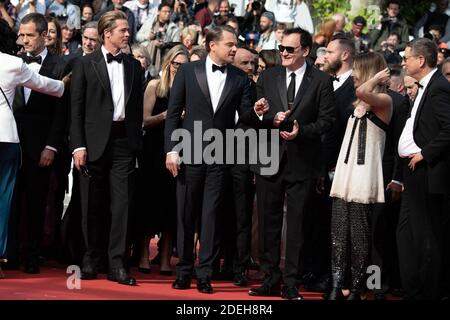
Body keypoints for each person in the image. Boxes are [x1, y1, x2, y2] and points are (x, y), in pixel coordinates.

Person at [164, 25, 268, 294]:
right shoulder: (188, 71)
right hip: (188, 152)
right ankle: (184, 269)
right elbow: (174, 113)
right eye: (230, 44)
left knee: (210, 216)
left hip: (221, 156)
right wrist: (171, 150)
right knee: (186, 214)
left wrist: (256, 112)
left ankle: (205, 273)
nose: (234, 49)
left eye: (235, 44)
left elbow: (245, 116)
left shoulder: (240, 78)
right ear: (212, 45)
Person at [248, 27, 335, 300]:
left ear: (305, 51)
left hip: (302, 161)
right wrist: (267, 117)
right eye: (281, 48)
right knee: (267, 222)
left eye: (289, 49)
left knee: (297, 225)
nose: (283, 53)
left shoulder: (321, 80)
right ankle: (269, 277)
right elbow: (255, 116)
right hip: (269, 158)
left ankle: (291, 282)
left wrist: (302, 130)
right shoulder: (268, 75)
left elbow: (327, 121)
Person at [70, 10, 144, 286]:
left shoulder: (135, 66)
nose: (127, 34)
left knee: (122, 204)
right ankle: (90, 258)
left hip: (124, 142)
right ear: (107, 33)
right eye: (122, 30)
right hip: (92, 143)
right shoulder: (85, 64)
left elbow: (135, 109)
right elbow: (75, 109)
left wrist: (136, 143)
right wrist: (78, 145)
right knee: (91, 203)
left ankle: (117, 263)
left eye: (128, 30)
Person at [0, 19, 65, 278]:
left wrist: (51, 145)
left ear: (44, 35)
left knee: (37, 201)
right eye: (21, 35)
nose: (24, 40)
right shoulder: (14, 62)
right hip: (11, 140)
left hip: (39, 145)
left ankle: (32, 254)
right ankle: (9, 253)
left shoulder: (59, 63)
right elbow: (52, 87)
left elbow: (60, 113)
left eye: (29, 35)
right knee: (8, 201)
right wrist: (64, 84)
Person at [329, 52, 392, 300]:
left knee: (359, 235)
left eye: (357, 69)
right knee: (338, 234)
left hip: (365, 176)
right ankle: (336, 287)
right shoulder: (358, 104)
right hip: (346, 173)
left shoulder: (384, 100)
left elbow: (363, 92)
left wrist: (376, 77)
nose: (353, 73)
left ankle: (357, 289)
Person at [397, 38, 450, 300]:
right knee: (406, 234)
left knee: (426, 236)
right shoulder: (426, 86)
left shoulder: (439, 88)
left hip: (428, 172)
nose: (403, 61)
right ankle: (413, 288)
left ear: (421, 60)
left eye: (407, 57)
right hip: (413, 172)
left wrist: (424, 154)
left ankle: (429, 292)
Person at [140, 45, 189, 275]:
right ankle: (142, 256)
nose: (178, 68)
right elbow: (145, 121)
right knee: (148, 204)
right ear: (168, 63)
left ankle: (165, 259)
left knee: (171, 208)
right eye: (176, 64)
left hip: (179, 151)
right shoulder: (154, 86)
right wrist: (167, 115)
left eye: (183, 65)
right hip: (153, 151)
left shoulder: (191, 89)